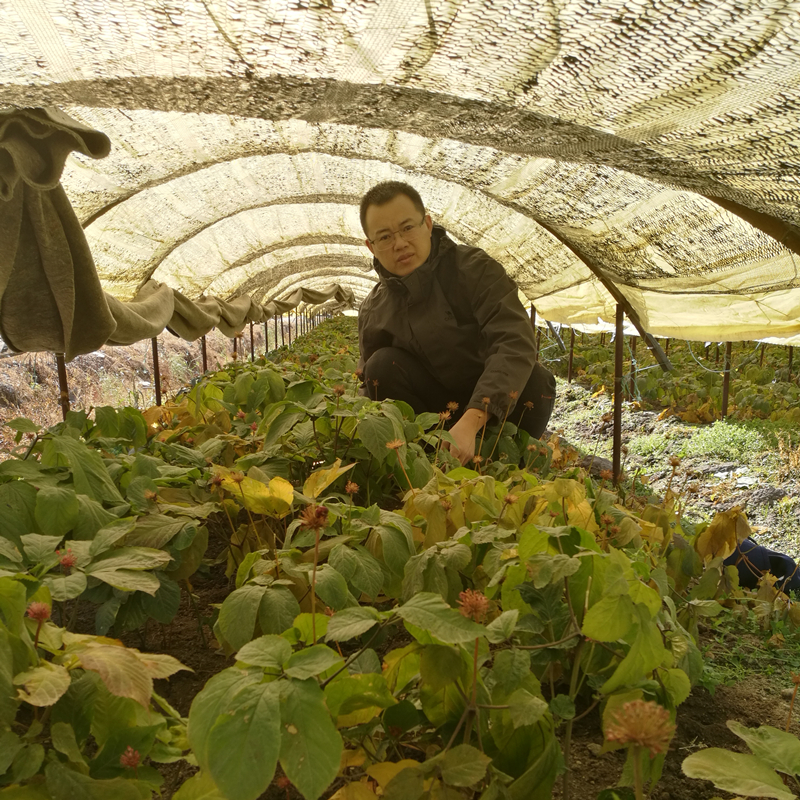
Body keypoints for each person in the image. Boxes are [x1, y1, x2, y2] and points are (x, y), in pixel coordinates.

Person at [357, 180, 556, 466]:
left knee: (537, 381)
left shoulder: (474, 270)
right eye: (385, 237)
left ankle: (508, 467)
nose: (399, 243)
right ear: (371, 246)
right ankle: (426, 465)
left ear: (427, 224)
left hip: (493, 405)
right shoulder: (375, 308)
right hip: (433, 414)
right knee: (380, 366)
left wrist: (473, 419)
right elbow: (369, 384)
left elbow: (514, 343)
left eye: (407, 228)